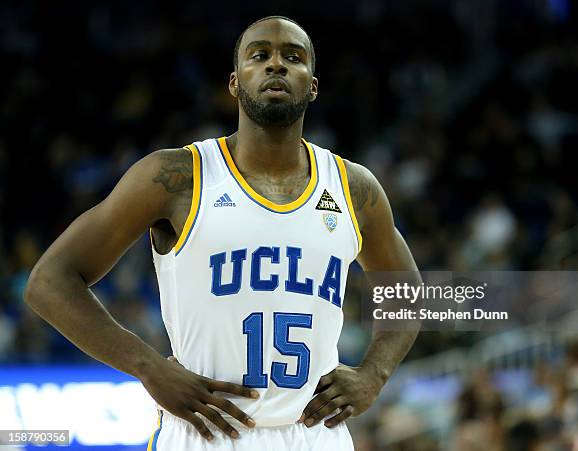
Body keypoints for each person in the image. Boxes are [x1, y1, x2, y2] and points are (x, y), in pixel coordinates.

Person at [25, 15, 420, 450]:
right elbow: (48, 281)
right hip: (204, 433)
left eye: (293, 57)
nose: (276, 65)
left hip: (313, 435)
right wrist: (148, 366)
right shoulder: (176, 176)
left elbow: (409, 290)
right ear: (234, 83)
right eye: (260, 55)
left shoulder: (354, 188)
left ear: (312, 85)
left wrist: (373, 375)